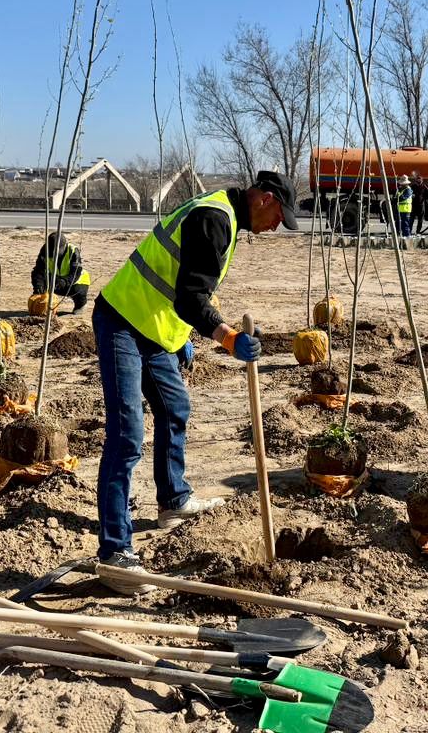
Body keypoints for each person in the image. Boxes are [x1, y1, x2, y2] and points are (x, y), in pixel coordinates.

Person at [92, 171, 298, 591]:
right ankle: (115, 554)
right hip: (122, 322)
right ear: (265, 199)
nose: (277, 226)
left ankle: (173, 500)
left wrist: (183, 335)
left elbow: (184, 281)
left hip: (156, 329)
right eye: (280, 216)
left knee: (175, 409)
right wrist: (228, 338)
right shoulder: (215, 218)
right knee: (127, 435)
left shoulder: (225, 216)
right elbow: (190, 297)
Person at [31, 232, 92, 313]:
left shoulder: (73, 251)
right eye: (51, 250)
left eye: (56, 250)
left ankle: (80, 304)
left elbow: (75, 272)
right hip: (56, 280)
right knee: (41, 282)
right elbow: (38, 271)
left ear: (64, 246)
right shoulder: (45, 251)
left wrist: (64, 281)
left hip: (76, 281)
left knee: (78, 290)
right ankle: (45, 305)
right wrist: (38, 286)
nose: (53, 253)